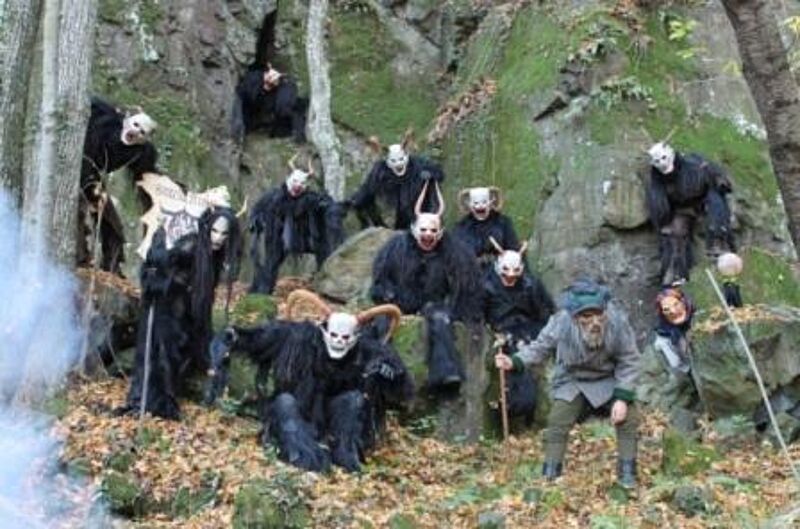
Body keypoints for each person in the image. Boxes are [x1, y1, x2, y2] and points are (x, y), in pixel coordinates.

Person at [495, 279, 640, 487]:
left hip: (608, 379)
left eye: (598, 314)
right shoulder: (560, 322)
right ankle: (550, 474)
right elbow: (540, 347)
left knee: (629, 417)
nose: (595, 322)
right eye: (586, 316)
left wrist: (622, 398)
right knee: (557, 421)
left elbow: (629, 360)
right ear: (575, 316)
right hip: (573, 380)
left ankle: (627, 472)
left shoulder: (617, 322)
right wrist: (514, 361)